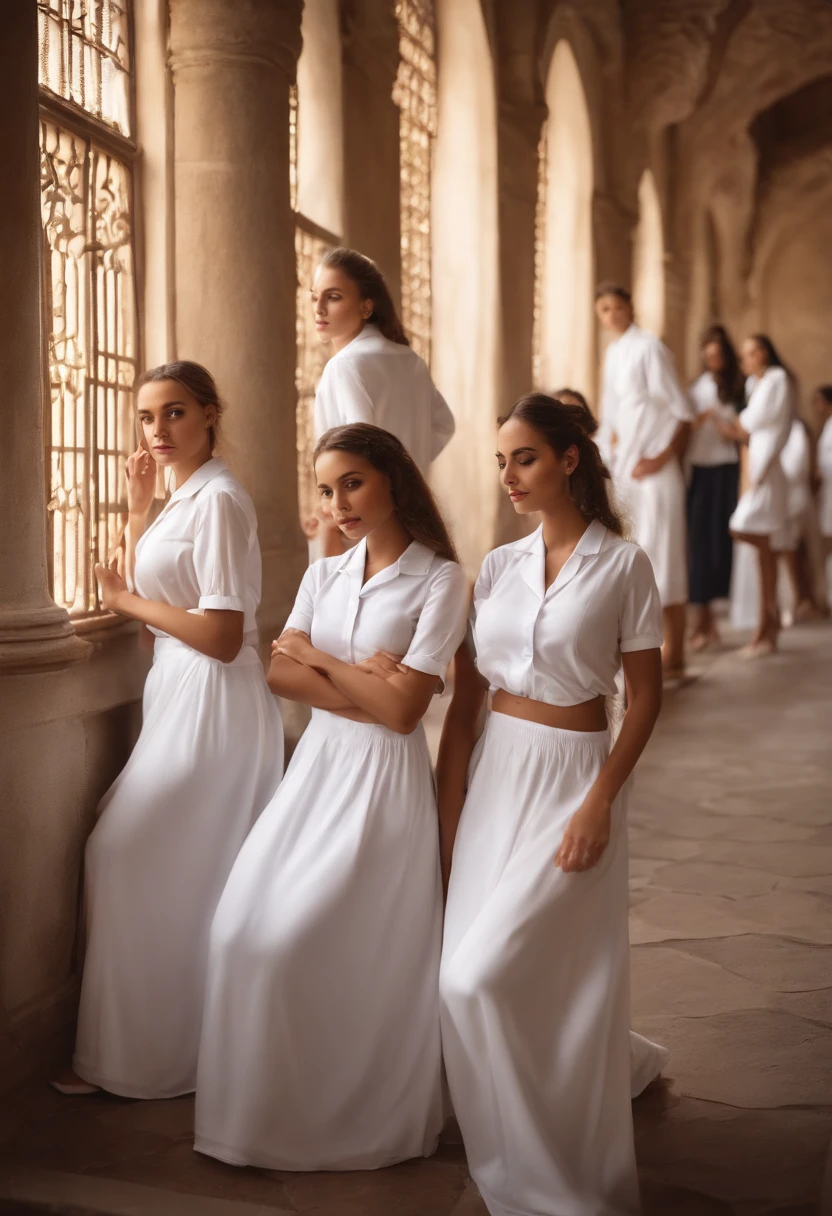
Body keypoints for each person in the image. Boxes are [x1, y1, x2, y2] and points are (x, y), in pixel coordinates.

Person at [195, 424, 468, 1171]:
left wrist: (321, 659)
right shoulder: (324, 574)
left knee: (298, 944)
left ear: (393, 480)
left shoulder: (440, 578)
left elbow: (407, 715)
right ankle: (263, 1116)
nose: (337, 502)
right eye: (326, 488)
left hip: (382, 784)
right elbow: (277, 676)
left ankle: (345, 1120)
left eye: (352, 482)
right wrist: (367, 683)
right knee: (236, 932)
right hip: (316, 770)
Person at [437, 394, 665, 1216]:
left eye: (524, 458)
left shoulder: (624, 566)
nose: (508, 476)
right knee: (473, 982)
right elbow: (465, 706)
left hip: (572, 778)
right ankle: (508, 1162)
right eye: (501, 462)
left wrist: (601, 799)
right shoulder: (497, 568)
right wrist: (449, 809)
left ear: (570, 458)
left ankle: (562, 1184)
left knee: (480, 977)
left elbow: (642, 702)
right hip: (498, 773)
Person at [51, 362, 283, 1099]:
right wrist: (138, 508)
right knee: (182, 875)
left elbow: (219, 633)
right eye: (147, 417)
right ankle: (166, 1053)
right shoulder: (184, 496)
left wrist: (124, 604)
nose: (157, 430)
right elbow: (156, 592)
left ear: (211, 414)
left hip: (214, 699)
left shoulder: (220, 501)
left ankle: (148, 1056)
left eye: (175, 413)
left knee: (119, 851)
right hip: (180, 694)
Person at [311, 247, 455, 554]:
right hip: (411, 517)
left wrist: (332, 507)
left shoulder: (344, 366)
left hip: (362, 526)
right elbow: (445, 425)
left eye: (333, 297)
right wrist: (407, 471)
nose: (319, 308)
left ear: (366, 306)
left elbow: (355, 454)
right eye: (315, 296)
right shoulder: (410, 360)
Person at [595, 284, 694, 677]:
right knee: (636, 559)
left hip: (655, 473)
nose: (611, 314)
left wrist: (660, 456)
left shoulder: (649, 348)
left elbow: (682, 411)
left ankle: (677, 651)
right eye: (603, 309)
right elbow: (612, 417)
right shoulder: (614, 352)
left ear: (630, 308)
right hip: (627, 470)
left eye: (617, 306)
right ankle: (646, 656)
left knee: (664, 558)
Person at [713, 335, 793, 658]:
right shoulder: (753, 384)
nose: (747, 358)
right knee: (763, 549)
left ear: (765, 352)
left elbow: (752, 421)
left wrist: (732, 422)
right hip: (757, 469)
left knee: (742, 528)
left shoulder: (776, 378)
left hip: (767, 473)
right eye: (744, 354)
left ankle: (769, 620)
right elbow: (746, 429)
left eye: (752, 351)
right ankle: (767, 623)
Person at [686, 325, 742, 651]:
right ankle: (701, 621)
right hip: (700, 470)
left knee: (723, 545)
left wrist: (722, 424)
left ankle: (714, 621)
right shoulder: (696, 387)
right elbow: (685, 427)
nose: (713, 359)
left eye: (718, 354)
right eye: (708, 355)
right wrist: (699, 420)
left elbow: (740, 431)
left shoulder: (738, 386)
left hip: (728, 471)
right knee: (698, 545)